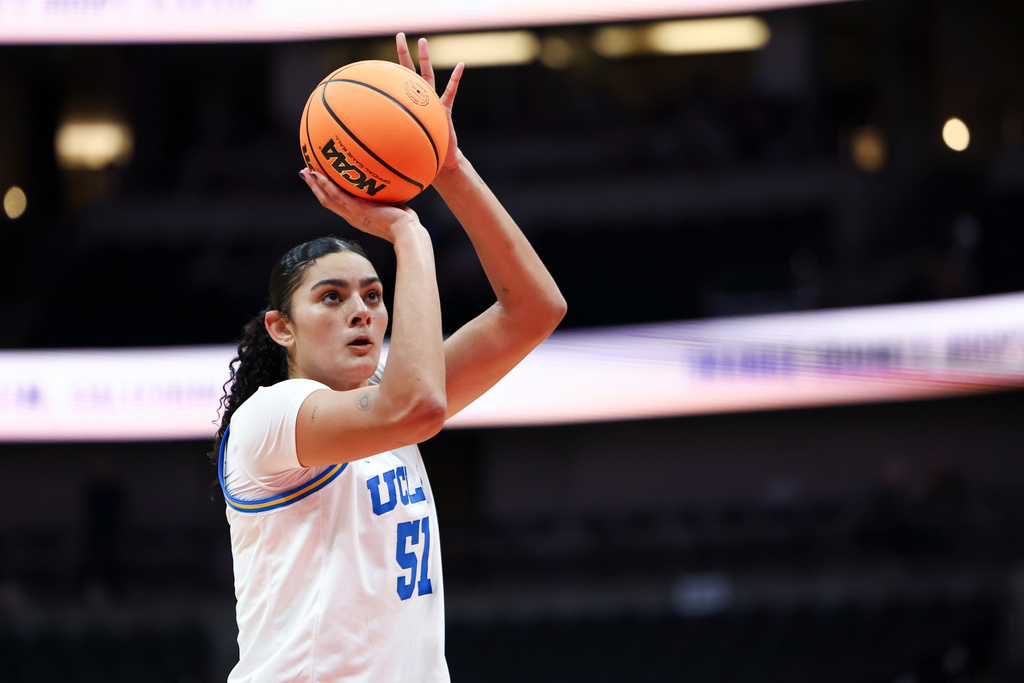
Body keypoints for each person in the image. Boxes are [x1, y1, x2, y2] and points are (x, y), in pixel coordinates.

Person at [213, 33, 566, 683]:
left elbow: (535, 309)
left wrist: (450, 170)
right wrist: (408, 232)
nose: (362, 310)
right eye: (332, 295)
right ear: (280, 327)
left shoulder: (388, 396)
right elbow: (420, 405)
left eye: (373, 295)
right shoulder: (271, 419)